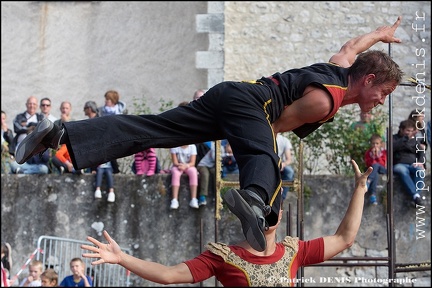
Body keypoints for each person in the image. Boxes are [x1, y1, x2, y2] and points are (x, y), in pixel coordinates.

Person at [16, 17, 403, 252]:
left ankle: (59, 133)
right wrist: (264, 189)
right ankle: (254, 200)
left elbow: (352, 47)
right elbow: (269, 129)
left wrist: (379, 34)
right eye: (383, 93)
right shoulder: (325, 101)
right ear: (367, 80)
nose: (379, 101)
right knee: (265, 158)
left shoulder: (339, 68)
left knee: (151, 129)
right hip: (248, 105)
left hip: (227, 97)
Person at [81, 159, 372, 286]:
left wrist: (359, 190)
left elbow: (345, 238)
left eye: (271, 211)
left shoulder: (294, 252)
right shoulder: (224, 257)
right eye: (259, 210)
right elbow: (169, 274)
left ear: (280, 215)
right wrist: (121, 258)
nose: (268, 217)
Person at [393, 119, 426, 206]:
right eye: (408, 130)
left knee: (420, 171)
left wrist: (420, 162)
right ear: (401, 129)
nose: (410, 133)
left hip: (412, 164)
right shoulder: (394, 138)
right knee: (402, 171)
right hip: (399, 164)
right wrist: (406, 138)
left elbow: (421, 152)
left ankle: (416, 196)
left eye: (411, 131)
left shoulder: (414, 140)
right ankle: (415, 195)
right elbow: (393, 147)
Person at [169, 144, 199, 209]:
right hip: (178, 166)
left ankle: (193, 199)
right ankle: (174, 200)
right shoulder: (175, 146)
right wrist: (180, 165)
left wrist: (186, 166)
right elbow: (175, 162)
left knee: (194, 172)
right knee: (175, 173)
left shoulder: (192, 147)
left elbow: (193, 162)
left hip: (188, 166)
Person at [364, 134, 387, 205]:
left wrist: (377, 156)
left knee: (376, 165)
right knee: (375, 175)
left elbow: (382, 163)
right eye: (373, 143)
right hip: (374, 170)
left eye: (377, 143)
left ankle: (368, 181)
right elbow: (368, 164)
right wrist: (373, 157)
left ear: (380, 144)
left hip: (382, 169)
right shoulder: (368, 152)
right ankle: (373, 196)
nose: (375, 145)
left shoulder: (383, 152)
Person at [197, 141, 216, 206]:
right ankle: (202, 197)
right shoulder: (213, 145)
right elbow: (215, 158)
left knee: (216, 174)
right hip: (202, 165)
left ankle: (217, 195)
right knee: (205, 174)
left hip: (212, 166)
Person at [276, 133, 295, 200]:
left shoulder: (284, 140)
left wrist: (282, 165)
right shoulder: (266, 137)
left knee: (289, 172)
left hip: (280, 164)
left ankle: (281, 197)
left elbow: (289, 159)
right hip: (268, 163)